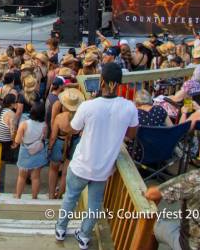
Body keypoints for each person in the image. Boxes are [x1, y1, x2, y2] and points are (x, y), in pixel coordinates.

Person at [55, 62, 138, 249]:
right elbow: (131, 135)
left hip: (81, 165)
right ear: (120, 83)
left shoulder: (88, 106)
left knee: (70, 197)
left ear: (101, 81)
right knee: (94, 204)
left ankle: (60, 229)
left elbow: (74, 129)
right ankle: (84, 237)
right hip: (103, 168)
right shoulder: (129, 107)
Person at [48, 87, 81, 200]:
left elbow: (53, 137)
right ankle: (60, 195)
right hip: (74, 144)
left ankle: (51, 195)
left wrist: (49, 148)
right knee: (65, 173)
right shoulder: (80, 118)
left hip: (59, 143)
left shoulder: (59, 117)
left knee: (53, 169)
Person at [12, 102, 47, 199]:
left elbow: (17, 140)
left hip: (25, 151)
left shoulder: (24, 124)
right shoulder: (44, 125)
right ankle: (34, 197)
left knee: (22, 176)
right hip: (38, 151)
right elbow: (44, 137)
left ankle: (18, 196)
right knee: (35, 177)